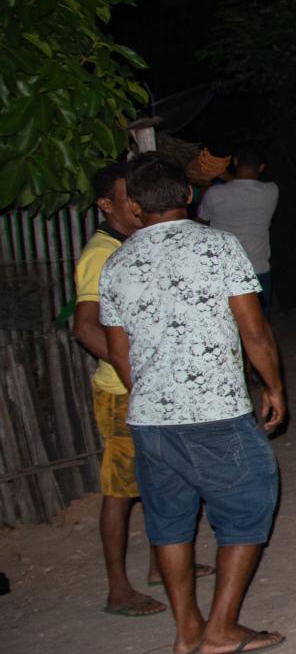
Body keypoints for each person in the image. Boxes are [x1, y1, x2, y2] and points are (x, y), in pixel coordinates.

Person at [100, 153, 288, 654]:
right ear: (188, 195)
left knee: (169, 522)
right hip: (215, 411)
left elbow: (119, 353)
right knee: (249, 507)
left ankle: (187, 628)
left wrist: (155, 393)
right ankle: (221, 628)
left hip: (149, 418)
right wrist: (272, 387)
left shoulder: (117, 263)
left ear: (135, 207)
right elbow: (254, 330)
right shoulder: (218, 247)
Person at [73, 162, 214, 618]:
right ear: (107, 205)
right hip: (122, 392)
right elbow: (86, 328)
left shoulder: (133, 244)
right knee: (120, 491)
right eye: (125, 196)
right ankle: (118, 589)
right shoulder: (101, 254)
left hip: (142, 386)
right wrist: (134, 374)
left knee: (159, 479)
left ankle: (162, 564)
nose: (136, 203)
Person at [198, 147, 279, 314]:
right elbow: (243, 189)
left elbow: (200, 223)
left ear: (235, 162)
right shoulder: (271, 191)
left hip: (223, 272)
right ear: (262, 167)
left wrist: (222, 177)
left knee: (227, 328)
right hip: (257, 270)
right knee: (259, 326)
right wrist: (228, 178)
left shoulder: (215, 193)